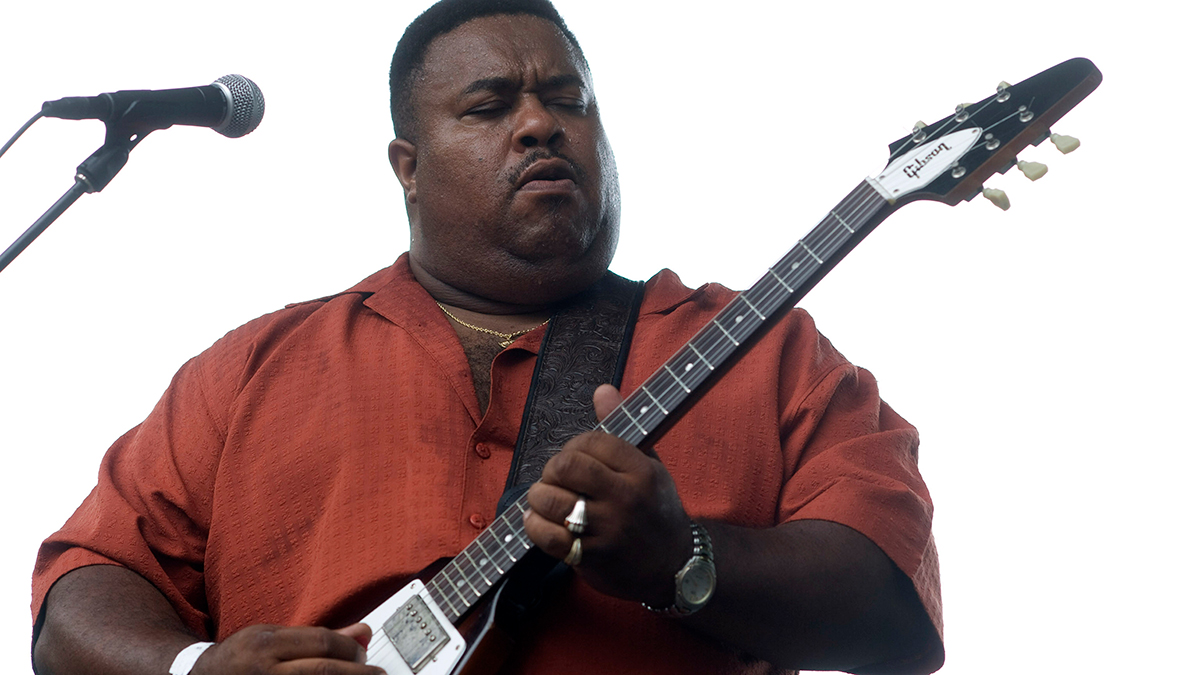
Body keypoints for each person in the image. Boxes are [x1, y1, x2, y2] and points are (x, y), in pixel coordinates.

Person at [30, 1, 944, 673]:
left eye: (567, 100)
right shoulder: (251, 369)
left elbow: (896, 620)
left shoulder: (768, 350)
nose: (540, 123)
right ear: (408, 167)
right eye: (489, 106)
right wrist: (190, 670)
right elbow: (86, 583)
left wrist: (684, 557)